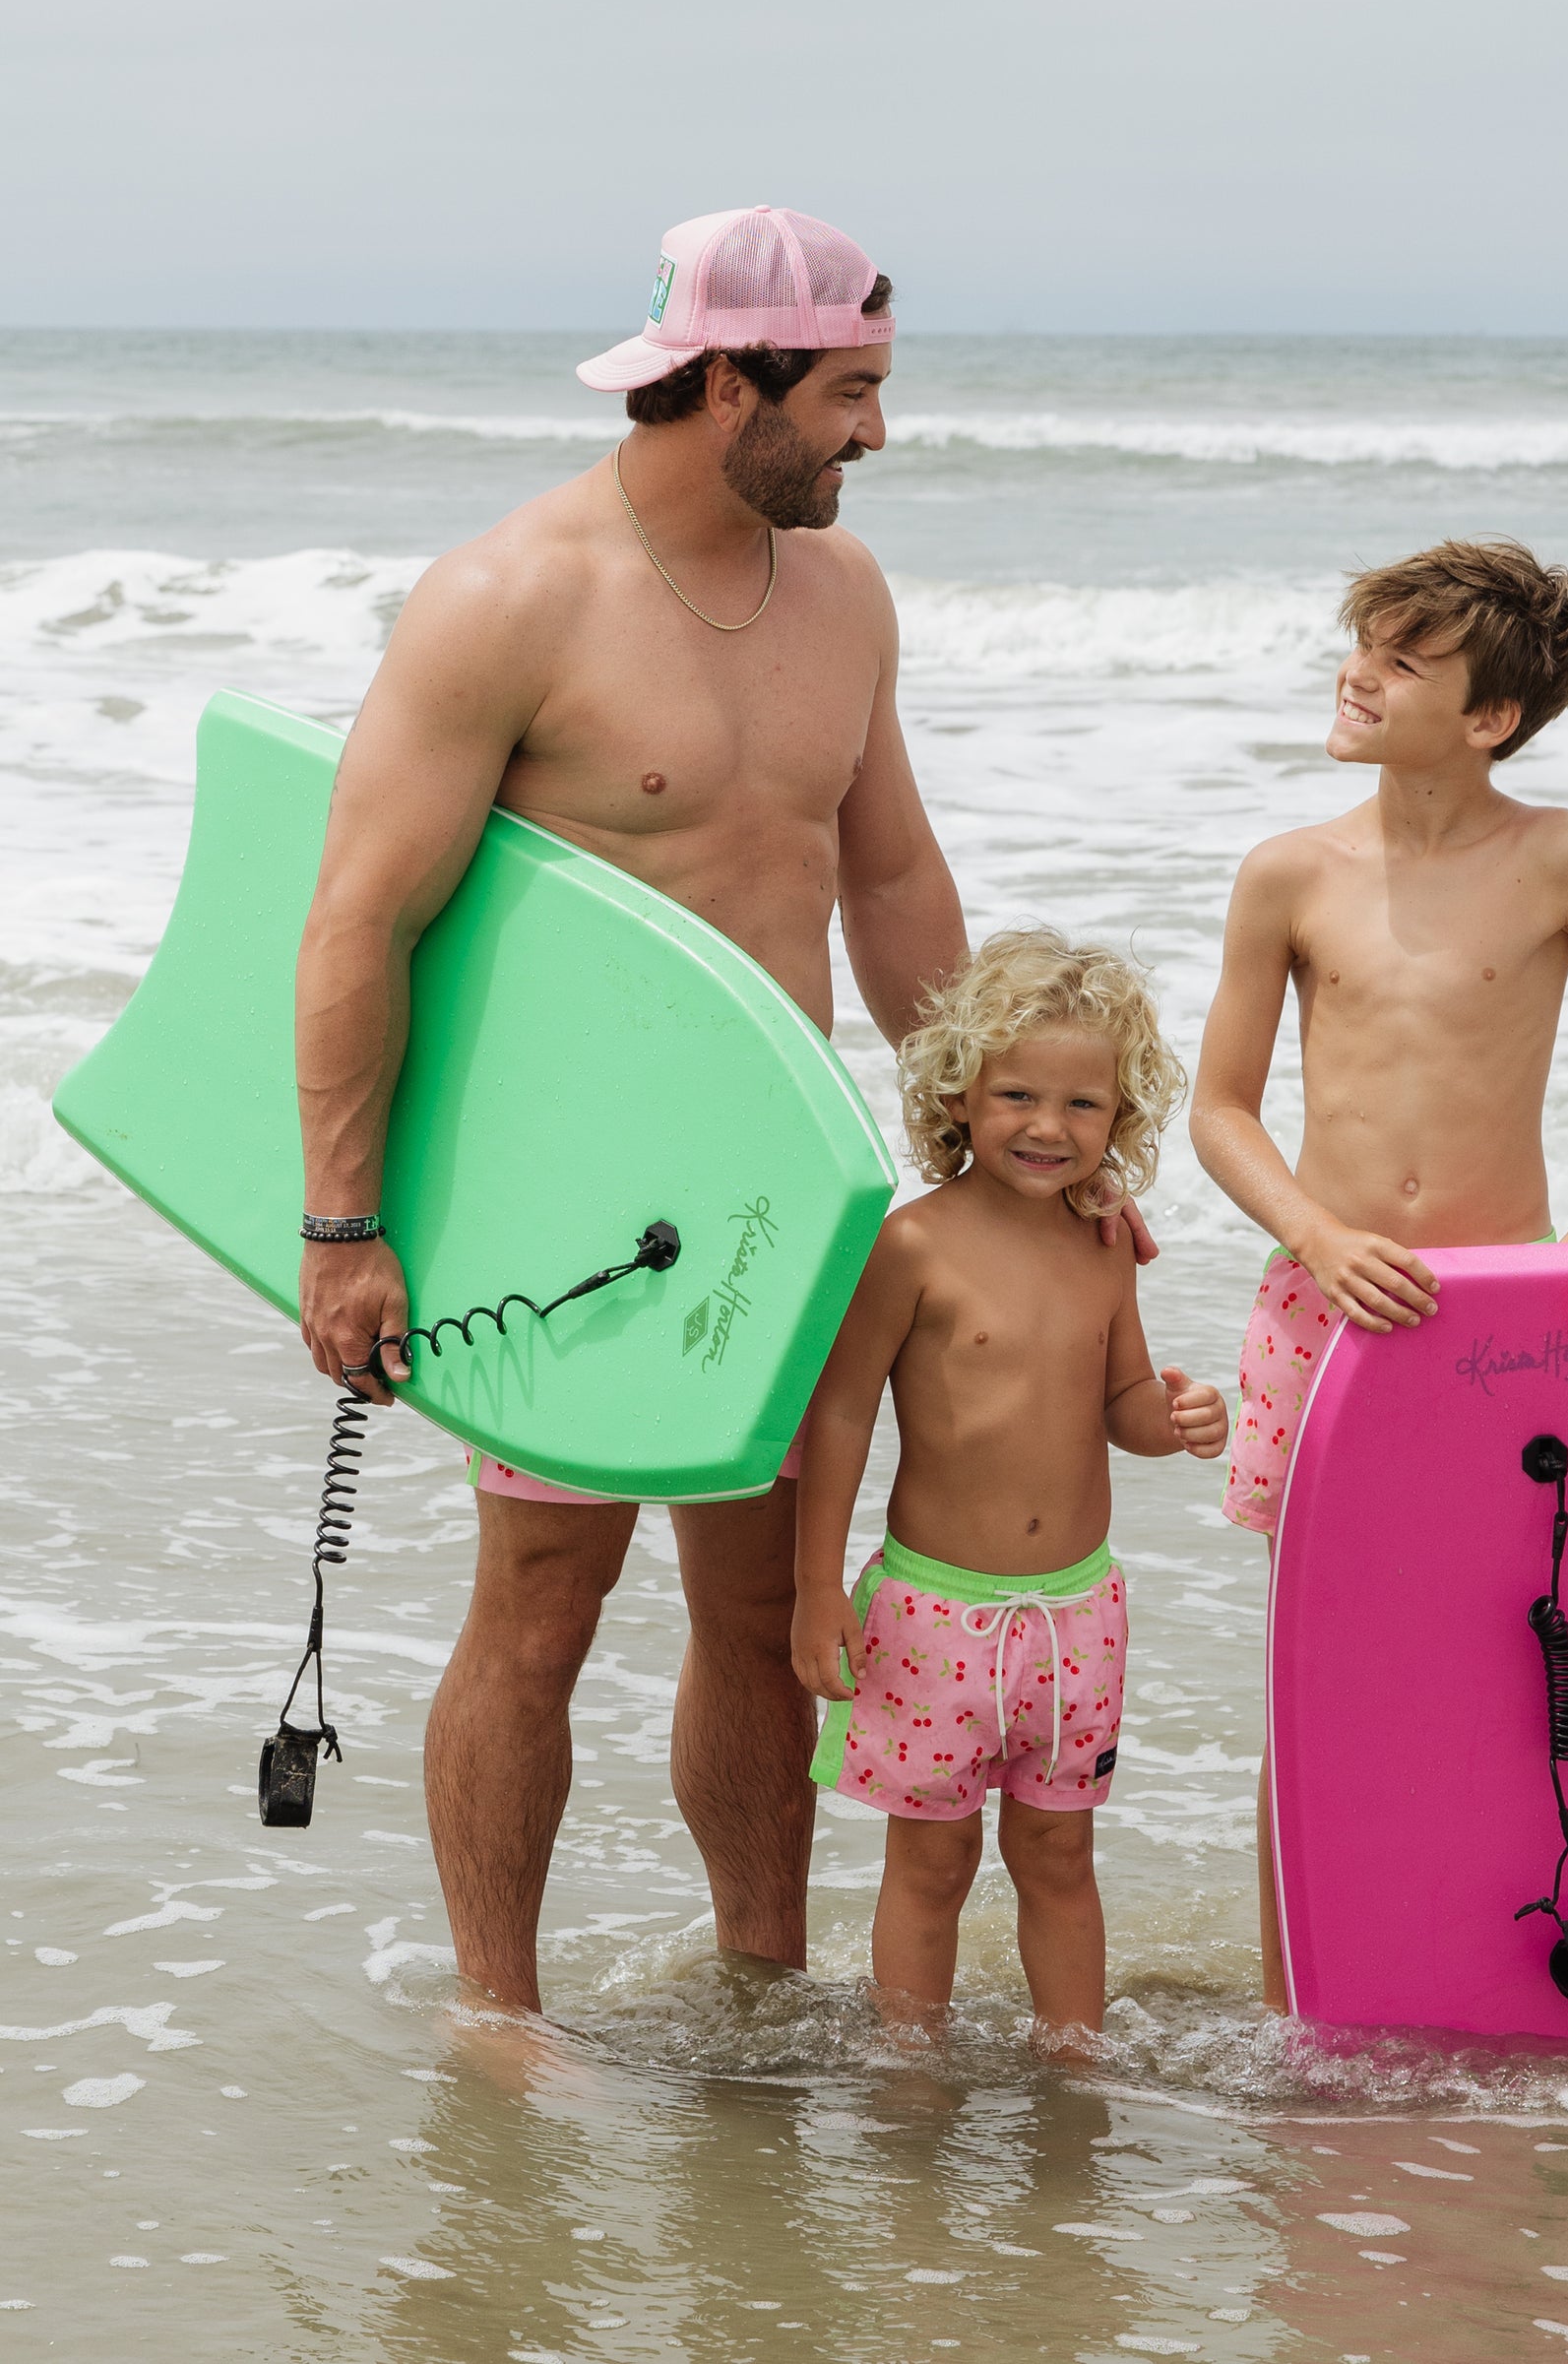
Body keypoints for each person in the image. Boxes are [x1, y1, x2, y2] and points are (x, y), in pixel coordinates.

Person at [292, 206, 965, 2014]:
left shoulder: (843, 591)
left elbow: (891, 877)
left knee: (759, 1609)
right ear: (730, 380)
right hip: (575, 1198)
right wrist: (344, 1223)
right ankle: (499, 2013)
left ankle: (763, 1976)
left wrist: (978, 1146)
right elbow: (361, 919)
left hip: (779, 1182)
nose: (876, 432)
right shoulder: (510, 598)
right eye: (849, 392)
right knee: (541, 1604)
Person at [1189, 538, 1568, 2012]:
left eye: (1402, 660)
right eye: (1361, 644)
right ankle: (1300, 2003)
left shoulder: (1562, 859)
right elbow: (1218, 1109)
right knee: (1320, 1670)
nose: (1357, 675)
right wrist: (1314, 1233)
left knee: (1500, 1647)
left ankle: (1478, 1972)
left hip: (1502, 1326)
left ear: (1489, 716)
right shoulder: (1287, 873)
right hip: (1328, 1309)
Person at [791, 930, 1229, 2037]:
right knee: (931, 1865)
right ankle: (909, 2069)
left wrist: (1175, 1420)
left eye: (1083, 1104)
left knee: (1059, 1855)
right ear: (959, 1096)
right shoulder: (912, 1246)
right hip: (934, 1613)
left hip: (1076, 1617)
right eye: (1017, 1095)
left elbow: (1121, 1397)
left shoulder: (1103, 1244)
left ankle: (1074, 2066)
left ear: (1120, 1116)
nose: (1048, 1126)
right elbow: (840, 1414)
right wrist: (815, 1588)